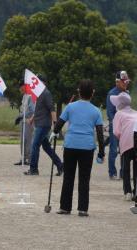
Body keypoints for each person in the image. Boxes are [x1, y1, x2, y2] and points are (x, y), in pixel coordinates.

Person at [51, 80, 105, 217]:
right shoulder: (96, 111)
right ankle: (82, 208)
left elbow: (59, 124)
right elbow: (99, 133)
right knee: (84, 178)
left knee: (68, 177)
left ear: (78, 92)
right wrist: (101, 152)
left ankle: (65, 207)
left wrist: (54, 132)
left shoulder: (70, 107)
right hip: (87, 147)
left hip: (70, 145)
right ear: (92, 93)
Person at [24, 75, 63, 176]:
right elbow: (39, 109)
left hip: (43, 125)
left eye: (38, 81)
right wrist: (32, 118)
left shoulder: (46, 93)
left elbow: (52, 109)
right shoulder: (39, 93)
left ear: (43, 82)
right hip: (39, 123)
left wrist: (55, 124)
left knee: (35, 145)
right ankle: (60, 165)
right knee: (46, 147)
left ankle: (33, 169)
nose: (35, 83)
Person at [111, 92, 137, 201]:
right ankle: (136, 192)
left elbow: (116, 132)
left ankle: (127, 192)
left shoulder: (119, 114)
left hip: (126, 143)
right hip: (136, 141)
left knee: (125, 168)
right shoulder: (136, 113)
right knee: (136, 168)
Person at [106, 71, 130, 180]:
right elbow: (110, 112)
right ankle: (112, 173)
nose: (126, 83)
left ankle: (123, 173)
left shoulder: (127, 93)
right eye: (123, 81)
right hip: (115, 126)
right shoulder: (112, 93)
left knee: (124, 150)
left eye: (126, 81)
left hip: (126, 126)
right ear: (117, 82)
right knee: (114, 150)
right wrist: (116, 125)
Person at [14, 82, 35, 165]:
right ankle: (23, 158)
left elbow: (31, 110)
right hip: (23, 121)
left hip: (29, 121)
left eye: (21, 87)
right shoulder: (24, 96)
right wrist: (20, 117)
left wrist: (21, 116)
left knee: (28, 140)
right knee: (23, 141)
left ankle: (29, 159)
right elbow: (23, 108)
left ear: (24, 86)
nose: (20, 89)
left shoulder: (30, 96)